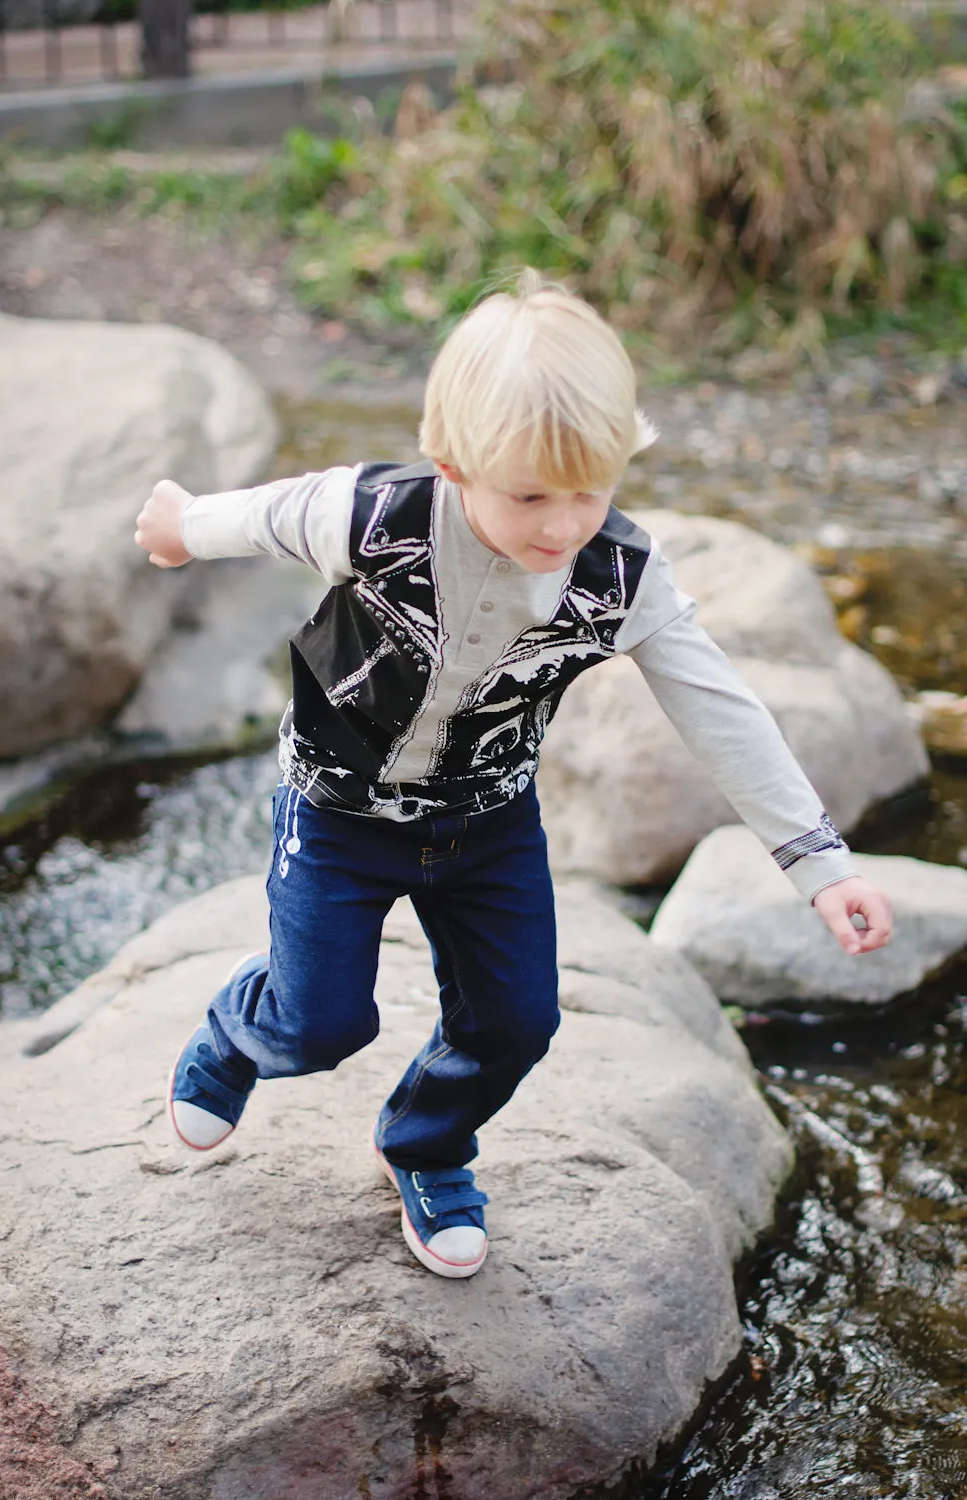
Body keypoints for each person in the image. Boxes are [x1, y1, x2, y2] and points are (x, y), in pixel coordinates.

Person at [134, 271, 892, 1280]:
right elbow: (267, 514)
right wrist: (183, 526)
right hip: (341, 811)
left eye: (592, 489)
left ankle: (427, 1142)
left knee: (517, 1020)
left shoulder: (619, 573)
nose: (562, 524)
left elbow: (719, 708)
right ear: (454, 466)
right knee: (321, 1022)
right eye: (531, 495)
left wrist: (820, 861)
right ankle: (241, 1030)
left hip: (488, 823)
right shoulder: (374, 515)